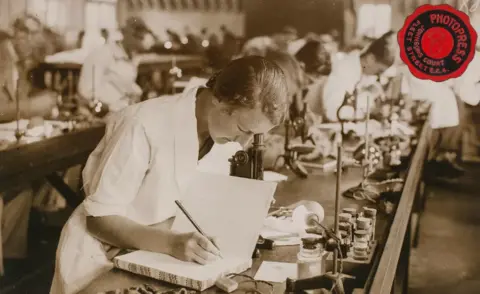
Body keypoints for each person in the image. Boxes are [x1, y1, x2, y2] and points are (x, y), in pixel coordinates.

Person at [50, 56, 289, 294]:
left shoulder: (221, 134)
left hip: (163, 261)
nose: (244, 143)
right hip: (100, 262)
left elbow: (191, 198)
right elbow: (99, 220)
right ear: (219, 99)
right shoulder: (143, 124)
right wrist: (171, 243)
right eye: (243, 130)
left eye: (255, 135)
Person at [77, 17, 155, 113]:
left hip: (122, 112)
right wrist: (112, 107)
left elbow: (123, 84)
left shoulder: (131, 57)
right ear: (126, 34)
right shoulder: (102, 54)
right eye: (139, 37)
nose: (141, 43)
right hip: (101, 116)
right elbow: (87, 92)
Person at [321, 31, 396, 122]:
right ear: (370, 59)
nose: (378, 75)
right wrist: (368, 111)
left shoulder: (364, 72)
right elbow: (332, 112)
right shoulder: (345, 69)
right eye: (379, 70)